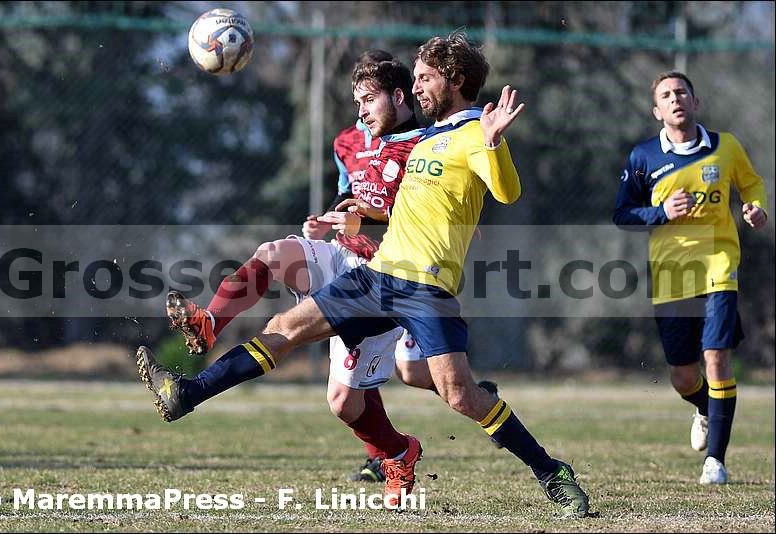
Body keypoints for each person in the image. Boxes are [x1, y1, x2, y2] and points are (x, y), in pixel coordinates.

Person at [138, 31, 590, 517]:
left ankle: (551, 472)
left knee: (461, 395)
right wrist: (358, 220)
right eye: (415, 78)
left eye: (425, 78)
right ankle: (188, 393)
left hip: (426, 289)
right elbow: (408, 212)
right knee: (283, 329)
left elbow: (506, 194)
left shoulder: (473, 133)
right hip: (377, 276)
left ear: (456, 80)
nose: (416, 87)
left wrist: (495, 142)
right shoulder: (427, 139)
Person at [150, 56, 428, 507]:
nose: (361, 112)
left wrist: (366, 225)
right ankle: (209, 324)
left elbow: (423, 225)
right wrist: (331, 220)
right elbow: (350, 196)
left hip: (384, 280)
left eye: (369, 100)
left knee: (344, 403)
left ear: (399, 97)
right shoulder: (348, 142)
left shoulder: (427, 148)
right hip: (340, 254)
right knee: (273, 254)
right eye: (357, 102)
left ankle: (398, 451)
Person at [613, 71, 768, 485]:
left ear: (695, 102)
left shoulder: (725, 147)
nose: (675, 98)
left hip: (719, 264)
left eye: (682, 92)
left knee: (717, 357)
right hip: (671, 274)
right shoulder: (643, 157)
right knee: (683, 375)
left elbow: (751, 185)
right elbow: (622, 215)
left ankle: (715, 460)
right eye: (666, 95)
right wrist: (661, 213)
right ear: (657, 111)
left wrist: (754, 208)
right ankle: (703, 407)